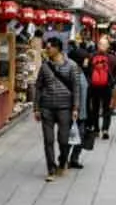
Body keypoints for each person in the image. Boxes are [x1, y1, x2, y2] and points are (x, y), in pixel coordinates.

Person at [33, 37, 81, 181]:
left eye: (48, 48)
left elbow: (76, 88)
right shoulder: (44, 66)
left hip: (65, 108)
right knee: (48, 140)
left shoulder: (72, 65)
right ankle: (51, 169)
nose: (46, 50)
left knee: (63, 140)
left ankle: (62, 161)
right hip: (46, 107)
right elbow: (39, 87)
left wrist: (75, 108)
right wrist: (36, 108)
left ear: (57, 49)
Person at [86, 37, 116, 140]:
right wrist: (111, 80)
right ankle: (105, 129)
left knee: (95, 108)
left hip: (94, 87)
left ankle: (96, 129)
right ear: (108, 47)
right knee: (106, 108)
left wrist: (90, 80)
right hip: (107, 87)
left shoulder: (91, 56)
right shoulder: (112, 58)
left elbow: (86, 69)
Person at [65, 46, 91, 170]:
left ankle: (74, 159)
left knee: (80, 136)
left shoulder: (81, 71)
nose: (87, 61)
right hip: (73, 111)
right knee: (72, 136)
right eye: (85, 59)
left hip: (83, 111)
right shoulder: (72, 73)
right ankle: (64, 159)